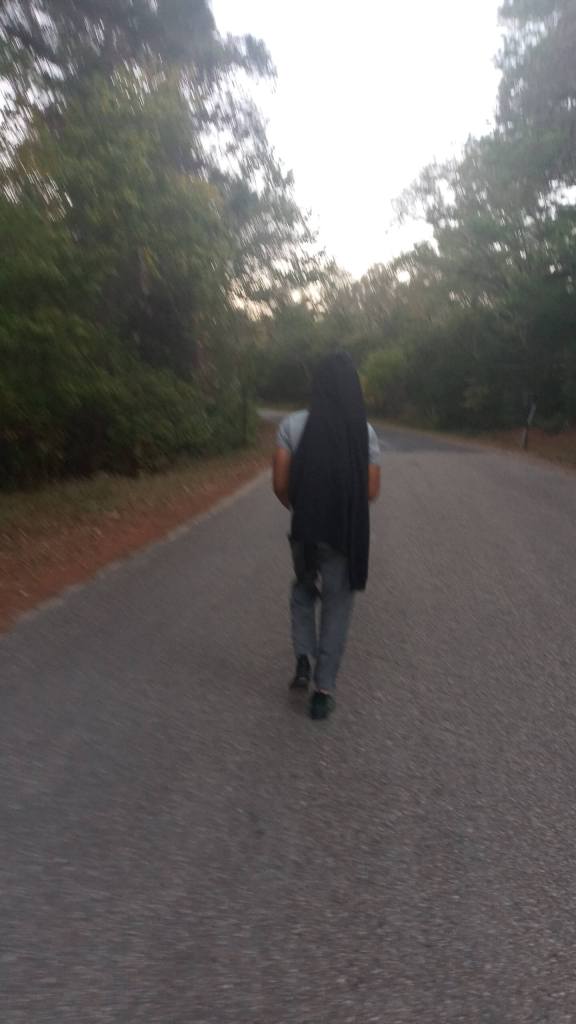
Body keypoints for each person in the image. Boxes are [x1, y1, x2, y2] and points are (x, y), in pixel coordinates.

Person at [272, 352, 381, 720]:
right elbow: (371, 491)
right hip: (343, 533)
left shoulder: (291, 425)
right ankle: (322, 691)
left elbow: (280, 484)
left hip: (305, 528)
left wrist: (302, 508)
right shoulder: (364, 432)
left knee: (303, 590)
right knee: (337, 605)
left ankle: (303, 657)